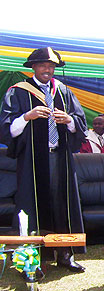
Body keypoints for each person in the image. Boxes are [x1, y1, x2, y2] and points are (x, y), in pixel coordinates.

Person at [0, 47, 88, 274]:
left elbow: (80, 124)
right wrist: (26, 116)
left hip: (60, 157)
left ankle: (65, 255)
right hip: (31, 160)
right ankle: (31, 259)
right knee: (31, 205)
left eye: (51, 66)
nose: (47, 69)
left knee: (63, 204)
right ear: (33, 68)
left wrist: (69, 120)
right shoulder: (18, 92)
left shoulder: (64, 92)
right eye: (42, 65)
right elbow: (6, 128)